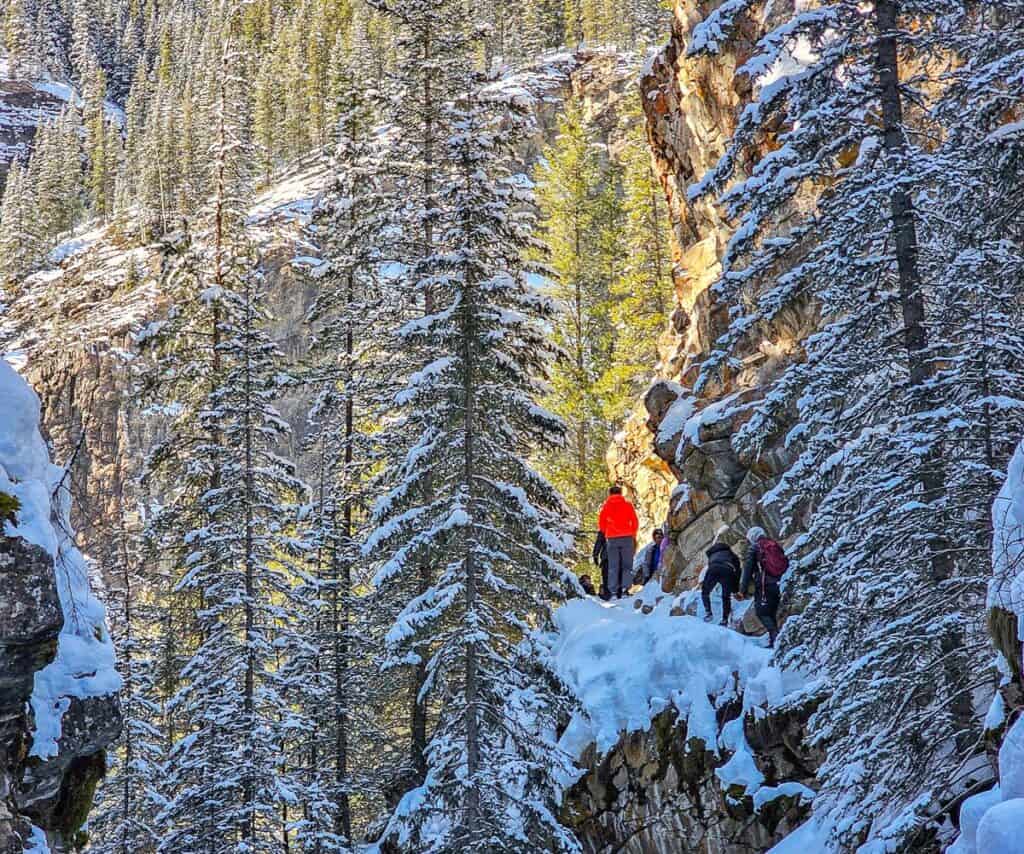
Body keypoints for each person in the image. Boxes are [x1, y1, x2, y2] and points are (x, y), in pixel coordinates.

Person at [739, 526, 790, 646]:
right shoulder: (773, 544)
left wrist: (742, 590)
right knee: (772, 611)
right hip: (780, 582)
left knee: (762, 612)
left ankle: (776, 638)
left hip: (764, 586)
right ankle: (775, 641)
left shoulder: (755, 548)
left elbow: (747, 571)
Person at [597, 485, 639, 599]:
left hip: (612, 539)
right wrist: (633, 534)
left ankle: (614, 592)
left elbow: (601, 525)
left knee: (613, 566)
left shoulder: (606, 507)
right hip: (627, 537)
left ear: (610, 494)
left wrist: (608, 532)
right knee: (627, 565)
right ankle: (625, 590)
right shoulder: (628, 505)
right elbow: (635, 521)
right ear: (621, 493)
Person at [701, 539, 740, 625]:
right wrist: (735, 590)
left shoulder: (712, 554)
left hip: (713, 569)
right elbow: (738, 570)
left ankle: (708, 613)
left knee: (705, 592)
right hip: (727, 570)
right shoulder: (730, 553)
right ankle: (724, 619)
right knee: (726, 597)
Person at [592, 531, 611, 600]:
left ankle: (607, 595)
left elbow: (599, 542)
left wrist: (595, 555)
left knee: (606, 577)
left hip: (607, 558)